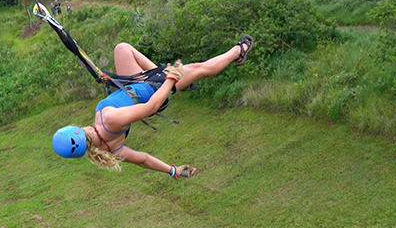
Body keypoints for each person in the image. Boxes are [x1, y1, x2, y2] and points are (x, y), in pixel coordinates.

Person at [51, 36, 252, 179]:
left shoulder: (107, 148)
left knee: (122, 49)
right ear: (73, 128)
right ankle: (238, 52)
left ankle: (171, 78)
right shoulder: (108, 121)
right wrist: (172, 78)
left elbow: (144, 160)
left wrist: (172, 171)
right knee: (199, 69)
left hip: (135, 84)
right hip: (153, 90)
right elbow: (150, 107)